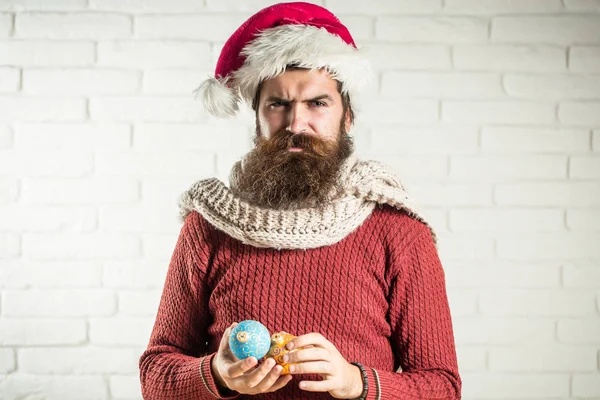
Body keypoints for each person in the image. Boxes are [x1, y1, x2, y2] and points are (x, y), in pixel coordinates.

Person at [138, 2, 462, 399]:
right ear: (257, 117)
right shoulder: (208, 227)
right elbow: (155, 373)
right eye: (278, 104)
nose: (296, 124)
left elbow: (443, 386)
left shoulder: (397, 229)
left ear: (347, 117)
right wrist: (217, 375)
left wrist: (356, 382)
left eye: (317, 103)